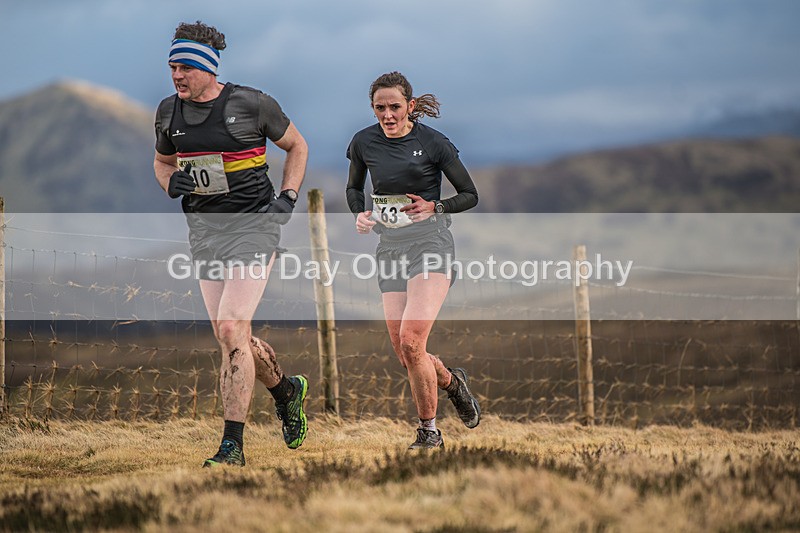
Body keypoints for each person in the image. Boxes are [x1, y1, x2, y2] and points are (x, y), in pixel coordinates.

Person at [153, 21, 309, 467]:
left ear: (206, 68)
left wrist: (288, 197)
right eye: (171, 67)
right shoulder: (168, 112)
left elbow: (297, 146)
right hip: (205, 233)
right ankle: (286, 389)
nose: (176, 75)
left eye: (183, 67)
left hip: (254, 228)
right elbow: (162, 162)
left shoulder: (251, 103)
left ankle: (232, 446)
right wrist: (171, 183)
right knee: (232, 335)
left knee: (229, 328)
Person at [346, 71, 481, 449]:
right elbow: (354, 188)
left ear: (411, 106)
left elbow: (470, 194)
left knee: (411, 339)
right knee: (407, 352)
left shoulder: (433, 143)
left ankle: (429, 432)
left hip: (431, 245)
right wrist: (360, 213)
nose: (387, 115)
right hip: (389, 249)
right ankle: (453, 383)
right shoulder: (363, 142)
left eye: (394, 107)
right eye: (379, 108)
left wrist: (434, 206)